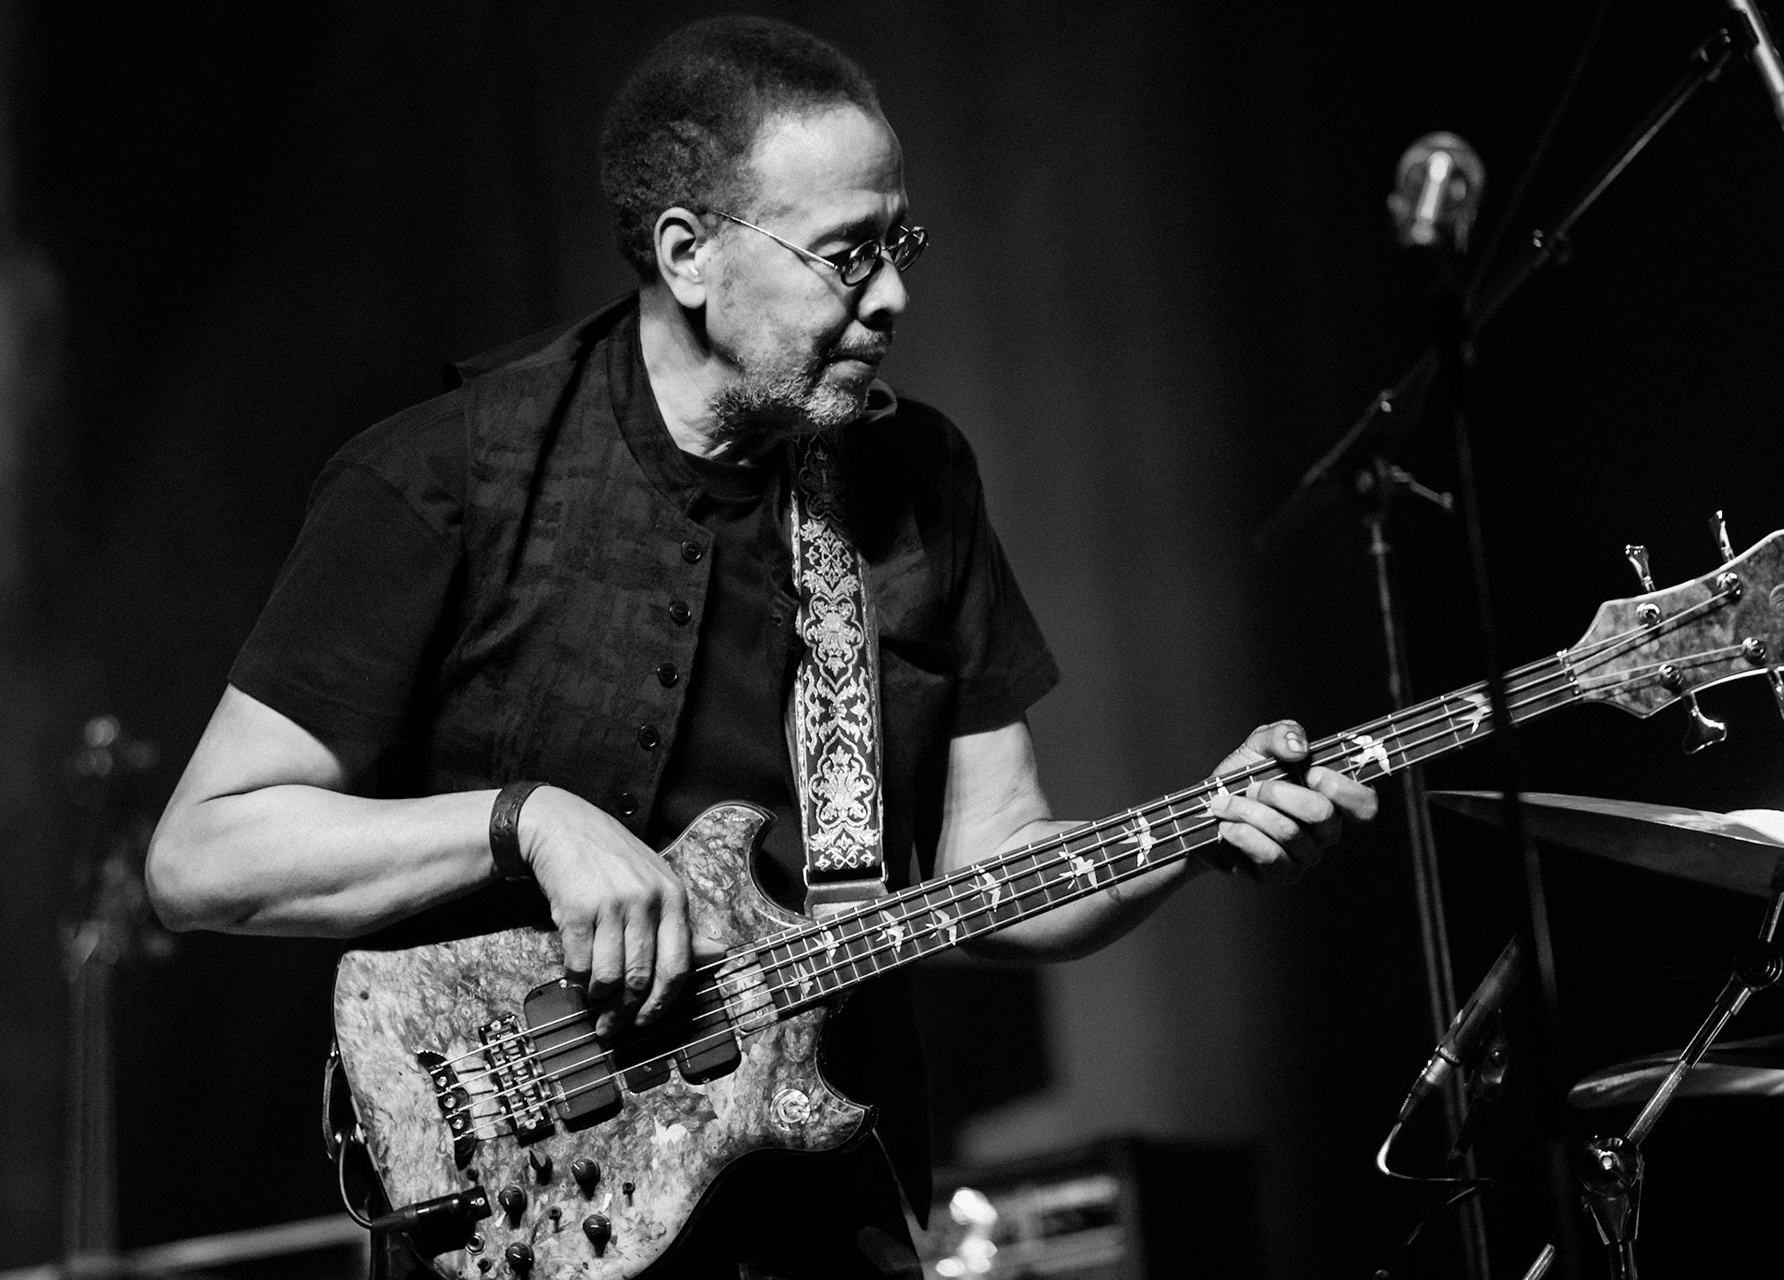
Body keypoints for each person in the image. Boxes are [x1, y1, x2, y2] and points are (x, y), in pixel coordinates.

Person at [145, 15, 1377, 1279]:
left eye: (899, 244)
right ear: (690, 253)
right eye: (848, 255)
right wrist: (526, 820)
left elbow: (995, 864)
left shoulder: (915, 479)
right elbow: (202, 855)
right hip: (531, 1212)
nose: (892, 295)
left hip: (822, 1211)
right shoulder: (445, 478)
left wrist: (1198, 833)